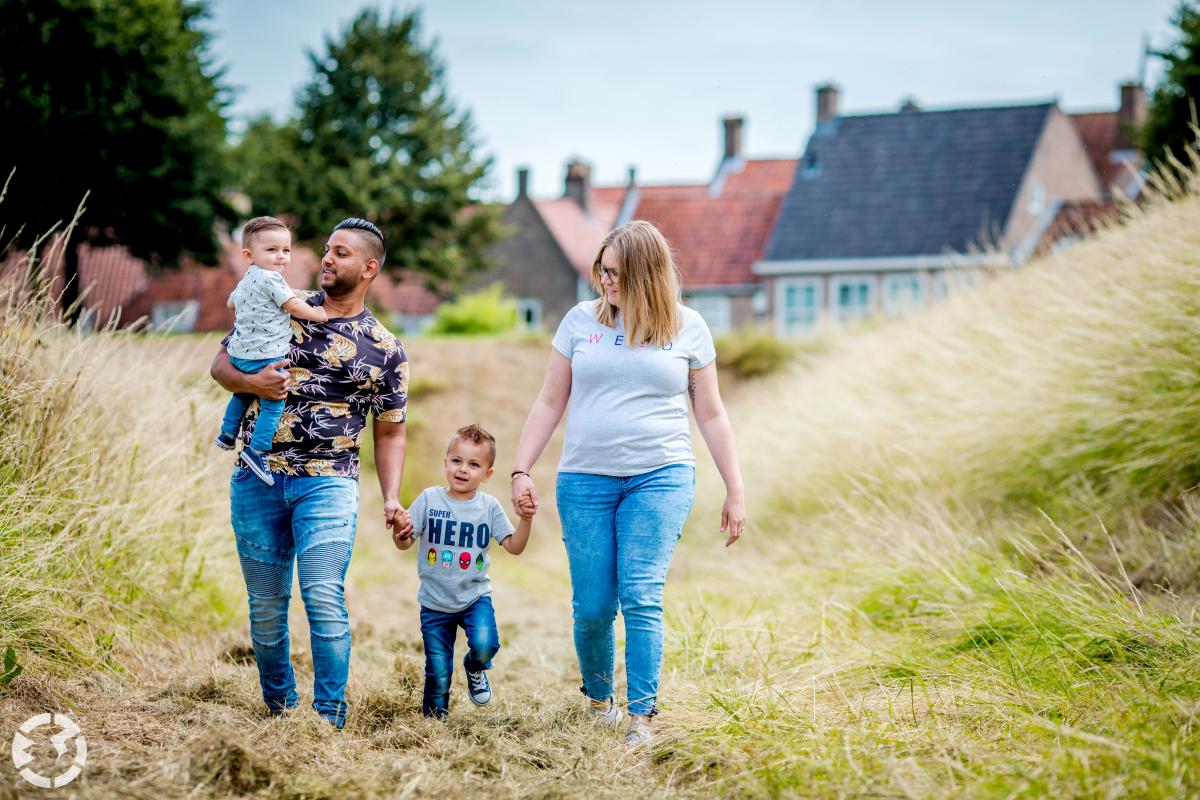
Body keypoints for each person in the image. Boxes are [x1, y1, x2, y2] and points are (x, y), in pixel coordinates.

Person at [509, 220, 746, 748]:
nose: (605, 281)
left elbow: (710, 413)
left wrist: (734, 487)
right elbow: (551, 400)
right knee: (593, 606)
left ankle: (642, 717)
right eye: (602, 270)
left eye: (616, 273)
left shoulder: (687, 327)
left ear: (646, 274)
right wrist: (521, 467)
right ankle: (599, 702)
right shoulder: (579, 322)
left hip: (660, 476)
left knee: (641, 594)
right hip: (584, 479)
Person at [209, 217, 409, 729]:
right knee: (267, 606)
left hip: (329, 482)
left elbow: (390, 430)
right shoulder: (279, 301)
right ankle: (280, 710)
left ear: (368, 268)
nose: (326, 259)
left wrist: (391, 497)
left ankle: (327, 718)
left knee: (322, 593)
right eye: (325, 250)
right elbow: (220, 366)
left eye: (340, 253)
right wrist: (254, 383)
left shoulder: (383, 348)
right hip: (257, 477)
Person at [393, 424, 533, 718]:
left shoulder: (489, 507)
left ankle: (475, 668)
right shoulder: (430, 499)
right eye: (457, 461)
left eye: (474, 464)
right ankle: (434, 722)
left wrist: (526, 520)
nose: (463, 469)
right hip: (434, 602)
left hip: (474, 597)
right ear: (445, 462)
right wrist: (399, 529)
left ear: (487, 474)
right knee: (438, 671)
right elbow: (404, 543)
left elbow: (514, 547)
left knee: (485, 645)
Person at [214, 216, 329, 485]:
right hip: (265, 355)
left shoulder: (246, 280)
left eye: (285, 250)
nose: (281, 257)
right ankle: (257, 450)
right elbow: (293, 306)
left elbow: (231, 304)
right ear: (248, 255)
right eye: (272, 250)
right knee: (274, 402)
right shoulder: (272, 280)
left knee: (243, 393)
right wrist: (319, 314)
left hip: (239, 354)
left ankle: (226, 434)